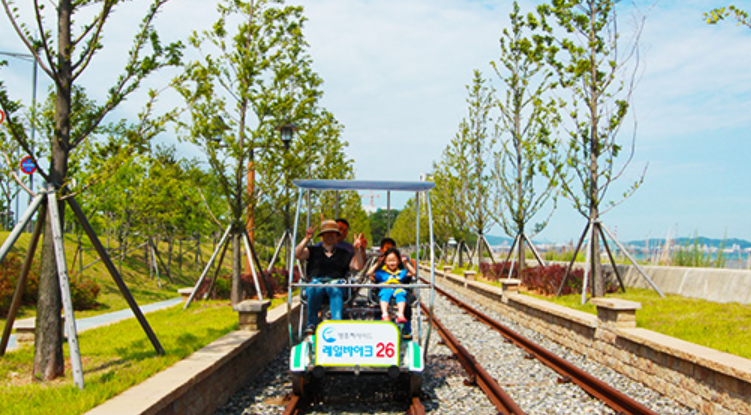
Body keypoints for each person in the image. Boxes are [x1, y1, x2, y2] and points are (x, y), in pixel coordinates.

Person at [296, 219, 366, 334]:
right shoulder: (313, 251)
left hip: (336, 282)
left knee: (334, 288)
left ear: (337, 236)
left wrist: (356, 250)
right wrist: (306, 239)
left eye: (333, 234)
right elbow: (297, 254)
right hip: (317, 282)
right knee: (314, 287)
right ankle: (311, 323)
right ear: (322, 236)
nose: (330, 236)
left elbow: (358, 266)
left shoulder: (344, 253)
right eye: (327, 233)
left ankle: (336, 323)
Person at [367, 247, 416, 323]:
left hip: (398, 288)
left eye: (394, 260)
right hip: (385, 289)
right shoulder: (381, 272)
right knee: (385, 295)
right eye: (389, 261)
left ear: (398, 261)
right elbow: (369, 273)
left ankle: (400, 314)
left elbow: (413, 273)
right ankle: (385, 314)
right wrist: (377, 263)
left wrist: (406, 263)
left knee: (401, 295)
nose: (392, 263)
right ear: (385, 261)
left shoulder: (401, 272)